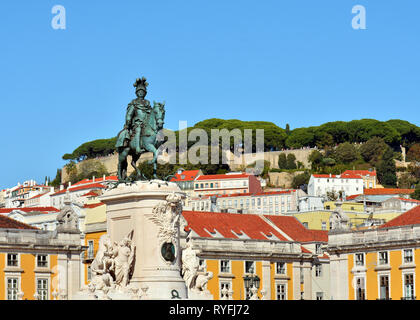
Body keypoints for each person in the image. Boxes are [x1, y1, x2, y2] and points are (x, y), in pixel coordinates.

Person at [116, 77, 151, 154]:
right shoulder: (134, 102)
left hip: (147, 124)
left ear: (145, 93)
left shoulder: (148, 103)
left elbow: (151, 113)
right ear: (136, 93)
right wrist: (128, 123)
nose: (141, 93)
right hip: (137, 124)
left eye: (143, 91)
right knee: (138, 129)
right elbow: (129, 114)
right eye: (139, 92)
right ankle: (138, 148)